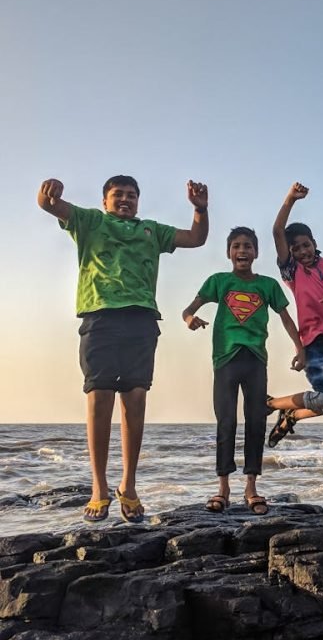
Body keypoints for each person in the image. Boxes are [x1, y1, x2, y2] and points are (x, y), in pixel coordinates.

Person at [37, 175, 209, 523]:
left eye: (131, 195)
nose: (125, 200)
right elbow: (49, 205)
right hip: (99, 318)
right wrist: (49, 191)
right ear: (105, 201)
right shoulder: (90, 221)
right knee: (99, 397)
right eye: (118, 195)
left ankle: (128, 486)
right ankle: (99, 487)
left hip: (142, 319)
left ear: (138, 201)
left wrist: (199, 209)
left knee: (135, 398)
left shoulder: (152, 230)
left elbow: (196, 238)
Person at [182, 227, 304, 514]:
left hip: (255, 359)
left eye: (248, 246)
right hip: (225, 359)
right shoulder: (219, 281)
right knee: (226, 422)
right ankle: (222, 487)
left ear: (256, 253)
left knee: (255, 422)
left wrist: (300, 348)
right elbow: (189, 309)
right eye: (236, 246)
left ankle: (251, 487)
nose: (242, 251)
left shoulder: (267, 285)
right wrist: (189, 318)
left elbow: (286, 319)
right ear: (229, 253)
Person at [266, 183, 323, 446]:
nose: (303, 252)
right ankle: (271, 404)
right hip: (311, 342)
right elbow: (277, 231)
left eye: (306, 245)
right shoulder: (293, 273)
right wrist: (290, 199)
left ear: (314, 243)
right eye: (296, 249)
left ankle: (291, 417)